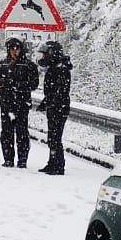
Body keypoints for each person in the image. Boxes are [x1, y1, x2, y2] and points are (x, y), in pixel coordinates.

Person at [0, 37, 40, 168]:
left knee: (22, 132)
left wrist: (17, 85)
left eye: (17, 48)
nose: (14, 51)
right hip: (6, 103)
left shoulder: (28, 65)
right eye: (12, 48)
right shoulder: (2, 64)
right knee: (6, 132)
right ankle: (8, 159)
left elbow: (34, 83)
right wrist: (2, 82)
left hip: (22, 103)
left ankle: (22, 160)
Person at [35, 40, 73, 174]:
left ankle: (58, 165)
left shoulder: (61, 69)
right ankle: (52, 162)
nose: (44, 58)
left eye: (46, 55)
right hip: (55, 106)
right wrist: (46, 103)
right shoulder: (56, 68)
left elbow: (59, 91)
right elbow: (52, 91)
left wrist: (51, 102)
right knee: (52, 137)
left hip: (59, 108)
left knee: (55, 137)